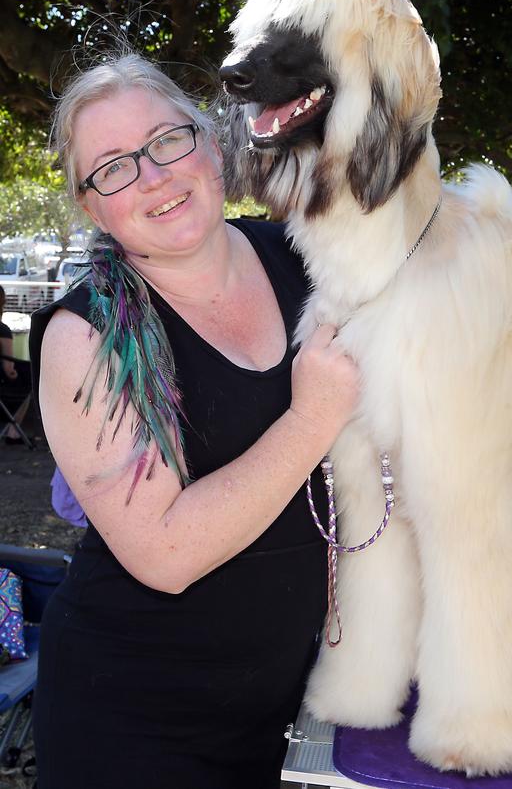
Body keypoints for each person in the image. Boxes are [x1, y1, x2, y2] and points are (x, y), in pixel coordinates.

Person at [29, 52, 359, 789]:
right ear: (91, 206)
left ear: (211, 141)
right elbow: (165, 553)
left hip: (284, 704)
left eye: (166, 141)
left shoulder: (306, 258)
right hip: (134, 727)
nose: (152, 177)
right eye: (112, 166)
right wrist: (312, 419)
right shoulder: (86, 339)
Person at [0, 284, 32, 444]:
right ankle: (13, 432)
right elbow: (8, 369)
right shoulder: (3, 330)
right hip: (2, 385)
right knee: (30, 382)